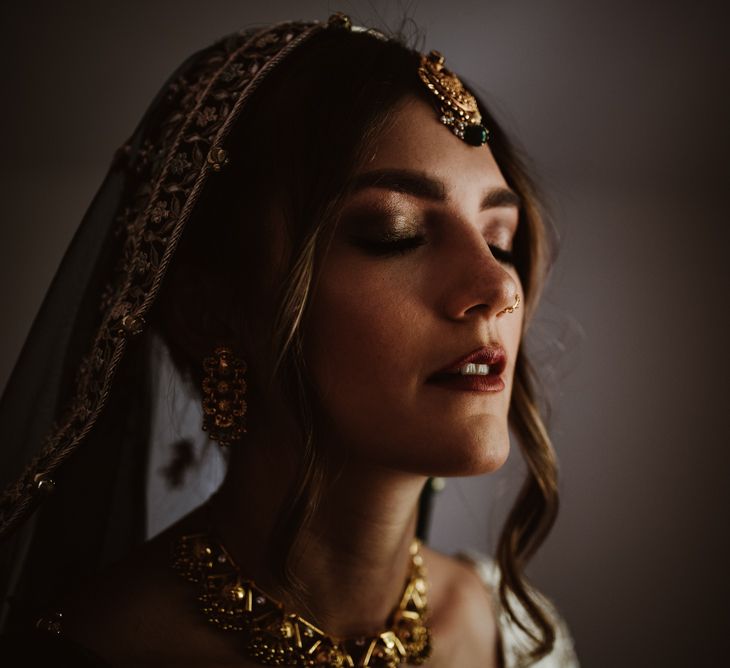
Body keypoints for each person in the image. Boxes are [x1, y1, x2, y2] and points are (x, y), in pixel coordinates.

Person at [0, 13, 578, 667]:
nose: (498, 288)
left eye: (500, 240)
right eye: (395, 232)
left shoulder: (516, 631)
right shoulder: (82, 650)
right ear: (210, 314)